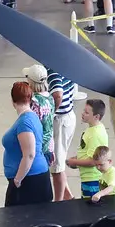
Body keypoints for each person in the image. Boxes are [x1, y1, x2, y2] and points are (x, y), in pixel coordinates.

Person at [3, 78, 53, 205]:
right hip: (33, 177)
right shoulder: (31, 117)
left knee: (16, 220)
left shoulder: (25, 122)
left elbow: (29, 154)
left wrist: (17, 180)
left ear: (12, 101)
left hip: (29, 180)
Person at [67, 98, 115, 202]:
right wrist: (77, 158)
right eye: (84, 110)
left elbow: (93, 161)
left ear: (96, 116)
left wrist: (74, 162)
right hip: (87, 178)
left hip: (92, 179)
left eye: (87, 112)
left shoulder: (95, 134)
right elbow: (87, 152)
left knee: (89, 208)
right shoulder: (92, 129)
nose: (83, 113)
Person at [47, 65, 78, 199]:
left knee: (56, 167)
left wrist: (50, 112)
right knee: (58, 163)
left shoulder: (52, 68)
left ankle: (58, 202)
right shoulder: (64, 62)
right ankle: (68, 197)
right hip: (69, 116)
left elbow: (58, 94)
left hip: (59, 120)